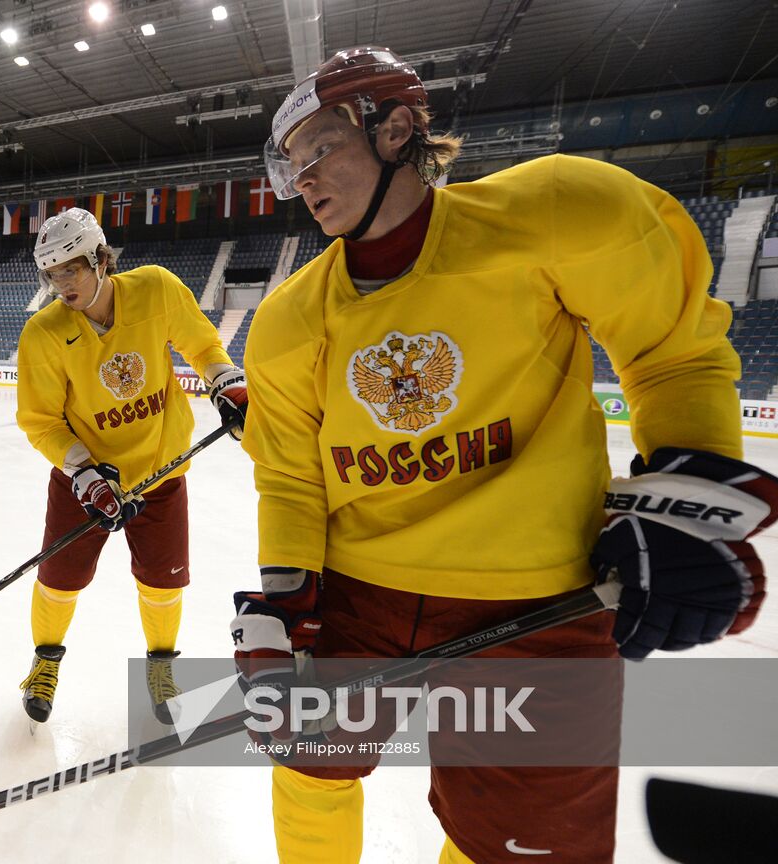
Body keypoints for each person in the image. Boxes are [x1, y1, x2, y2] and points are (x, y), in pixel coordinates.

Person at [231, 46, 777, 863]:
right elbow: (289, 476)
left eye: (319, 150)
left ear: (398, 129)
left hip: (535, 596)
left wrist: (685, 498)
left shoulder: (557, 211)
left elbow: (675, 354)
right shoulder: (286, 321)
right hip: (359, 591)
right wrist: (282, 600)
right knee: (309, 761)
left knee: (524, 844)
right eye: (291, 165)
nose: (302, 179)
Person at [15, 207, 247, 724]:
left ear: (100, 258)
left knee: (163, 583)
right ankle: (44, 664)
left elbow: (202, 343)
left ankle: (161, 669)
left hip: (160, 471)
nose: (60, 285)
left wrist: (223, 379)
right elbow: (41, 422)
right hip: (86, 481)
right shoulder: (44, 333)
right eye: (50, 274)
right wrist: (85, 473)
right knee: (59, 578)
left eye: (69, 269)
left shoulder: (157, 290)